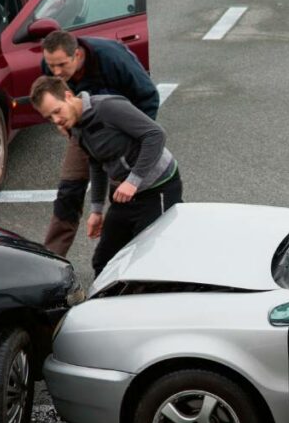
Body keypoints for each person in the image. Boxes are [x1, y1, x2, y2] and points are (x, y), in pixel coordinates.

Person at [29, 76, 182, 275]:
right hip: (125, 195)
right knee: (104, 261)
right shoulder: (75, 126)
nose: (56, 120)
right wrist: (97, 210)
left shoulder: (107, 107)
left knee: (149, 260)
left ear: (68, 96)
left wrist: (133, 181)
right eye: (49, 117)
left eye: (57, 111)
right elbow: (96, 162)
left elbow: (155, 135)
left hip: (158, 188)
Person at [39, 30, 160, 257]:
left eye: (61, 65)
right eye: (50, 65)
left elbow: (149, 97)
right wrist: (65, 126)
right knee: (68, 193)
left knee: (126, 195)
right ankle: (52, 260)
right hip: (82, 131)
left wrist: (133, 140)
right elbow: (51, 98)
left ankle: (136, 258)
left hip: (121, 130)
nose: (55, 72)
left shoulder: (113, 59)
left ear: (76, 55)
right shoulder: (52, 66)